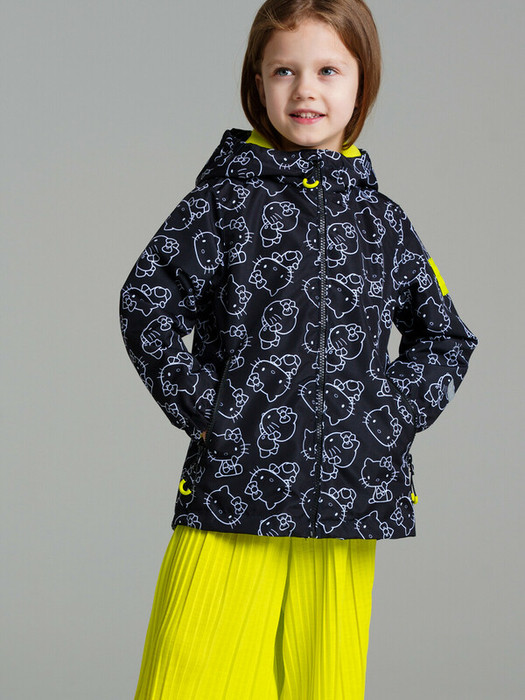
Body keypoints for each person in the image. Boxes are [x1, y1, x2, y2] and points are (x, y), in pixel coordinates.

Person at [118, 1, 478, 698]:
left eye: (327, 71)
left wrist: (386, 418)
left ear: (361, 82)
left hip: (347, 501)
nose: (305, 90)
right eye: (284, 70)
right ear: (257, 81)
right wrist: (209, 413)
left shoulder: (382, 223)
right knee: (188, 678)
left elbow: (445, 336)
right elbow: (146, 303)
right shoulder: (222, 205)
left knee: (323, 685)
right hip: (235, 489)